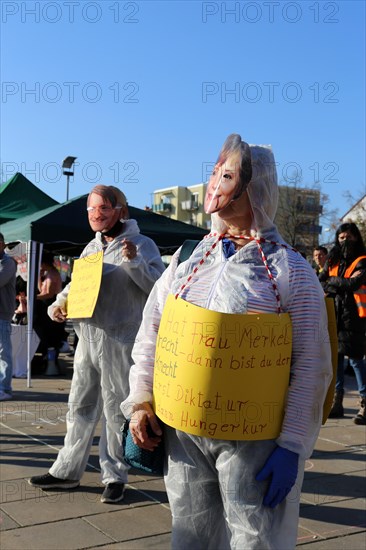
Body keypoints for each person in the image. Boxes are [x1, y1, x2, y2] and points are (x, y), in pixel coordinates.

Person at [121, 134, 333, 550]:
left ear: (257, 188)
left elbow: (310, 364)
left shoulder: (290, 271)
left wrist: (292, 445)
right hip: (182, 433)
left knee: (253, 538)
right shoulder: (186, 261)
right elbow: (153, 334)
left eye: (230, 176)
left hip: (254, 440)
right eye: (216, 173)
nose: (218, 185)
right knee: (189, 532)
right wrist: (141, 401)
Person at [29, 185, 165, 503]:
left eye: (103, 207)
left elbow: (159, 289)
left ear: (121, 210)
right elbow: (77, 286)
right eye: (91, 209)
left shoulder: (143, 244)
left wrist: (134, 262)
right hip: (88, 337)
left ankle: (114, 475)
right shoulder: (91, 248)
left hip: (122, 339)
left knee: (117, 408)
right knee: (80, 405)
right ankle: (67, 470)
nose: (96, 214)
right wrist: (59, 305)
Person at [320, 222, 366, 423]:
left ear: (356, 237)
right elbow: (321, 281)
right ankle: (336, 403)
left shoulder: (362, 260)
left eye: (348, 236)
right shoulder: (333, 258)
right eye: (341, 237)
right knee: (337, 361)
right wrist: (338, 283)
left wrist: (333, 282)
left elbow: (354, 284)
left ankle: (364, 403)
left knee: (355, 360)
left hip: (355, 316)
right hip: (334, 314)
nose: (344, 240)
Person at [34, 252, 67, 359]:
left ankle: (50, 358)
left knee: (51, 333)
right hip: (45, 304)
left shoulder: (53, 274)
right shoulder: (47, 273)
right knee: (45, 333)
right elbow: (41, 290)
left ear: (44, 263)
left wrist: (33, 297)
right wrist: (39, 276)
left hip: (50, 303)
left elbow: (49, 294)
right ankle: (46, 356)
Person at [0, 232, 17, 401]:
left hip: (2, 314)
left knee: (3, 353)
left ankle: (4, 388)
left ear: (2, 244)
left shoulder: (8, 262)